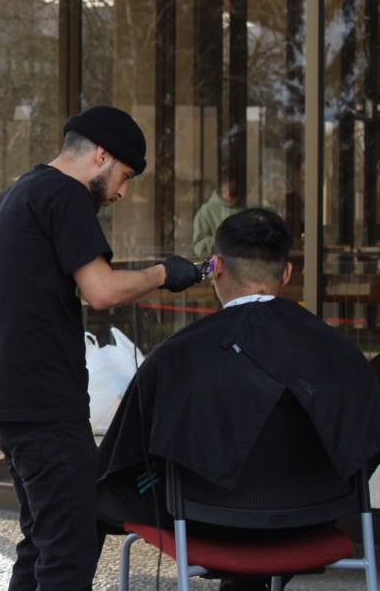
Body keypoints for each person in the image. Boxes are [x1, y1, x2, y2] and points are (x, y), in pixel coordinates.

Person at [0, 105, 203, 590]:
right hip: (45, 408)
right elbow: (102, 290)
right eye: (125, 176)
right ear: (101, 154)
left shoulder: (7, 200)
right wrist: (164, 274)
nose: (122, 192)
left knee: (42, 542)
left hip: (7, 406)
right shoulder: (65, 196)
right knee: (70, 550)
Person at [96, 207, 380, 591]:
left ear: (218, 268)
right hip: (310, 519)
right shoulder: (342, 356)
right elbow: (364, 445)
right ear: (286, 273)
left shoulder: (177, 357)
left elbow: (126, 452)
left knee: (90, 490)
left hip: (204, 522)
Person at [192, 178, 241, 256]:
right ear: (224, 186)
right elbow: (199, 248)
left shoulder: (244, 210)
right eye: (233, 193)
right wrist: (224, 238)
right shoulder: (207, 211)